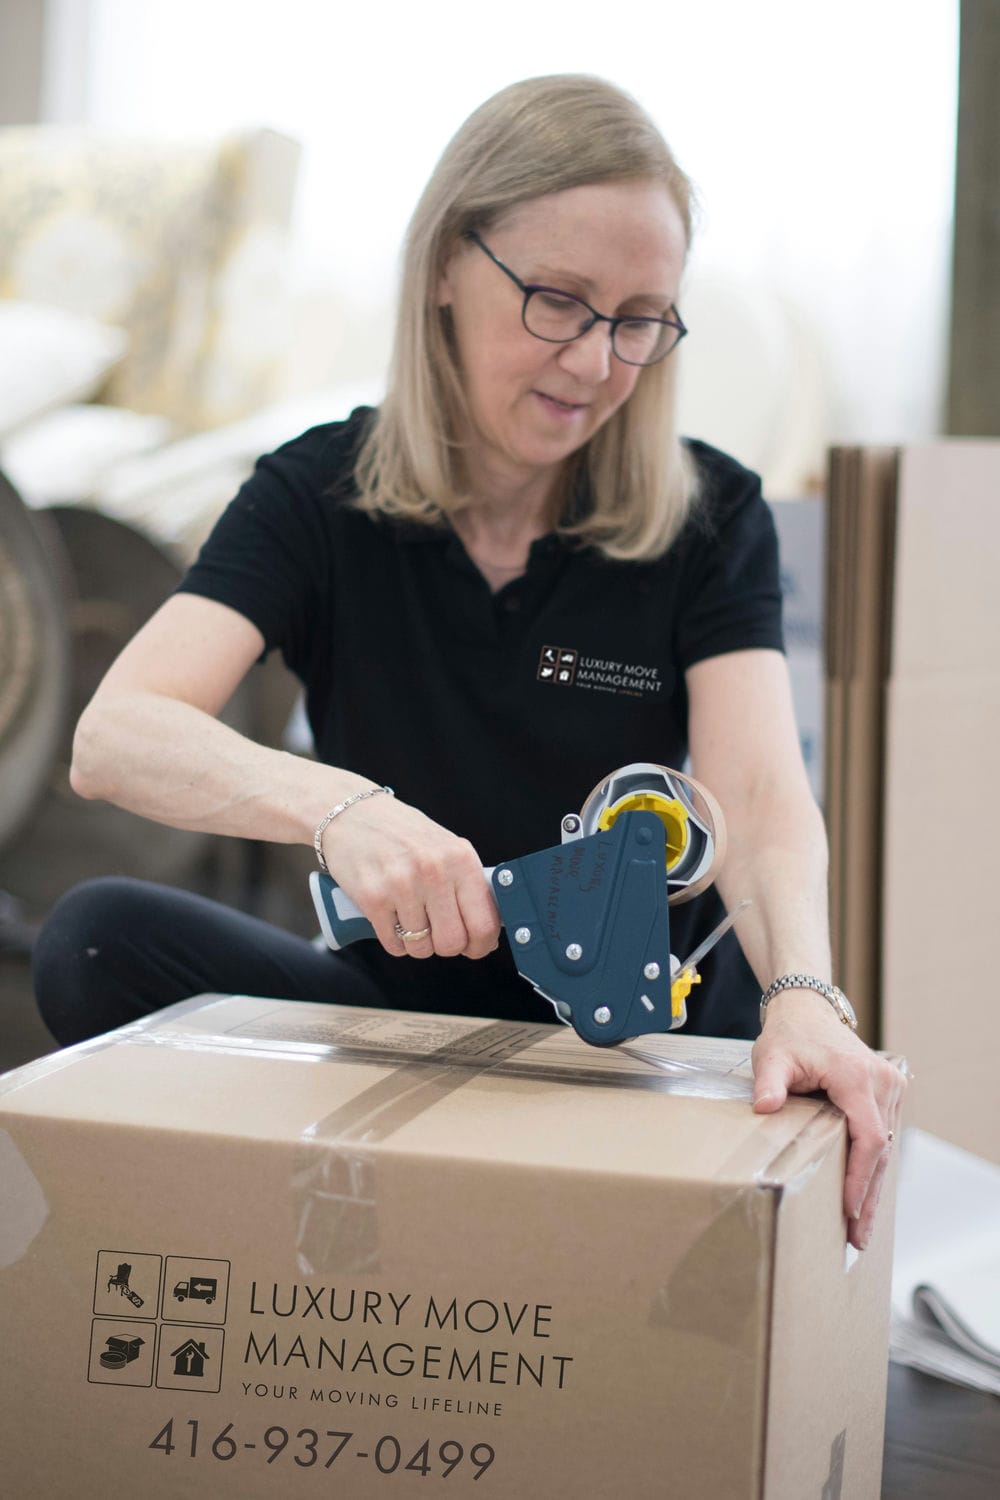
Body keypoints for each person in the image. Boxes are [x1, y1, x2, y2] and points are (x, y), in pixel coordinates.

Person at [32, 75, 904, 1250]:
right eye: (558, 301)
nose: (597, 362)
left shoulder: (707, 511)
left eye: (640, 317)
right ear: (448, 264)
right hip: (397, 1021)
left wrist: (809, 993)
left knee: (755, 992)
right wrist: (341, 810)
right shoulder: (316, 493)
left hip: (627, 1023)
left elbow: (755, 794)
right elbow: (117, 734)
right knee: (95, 936)